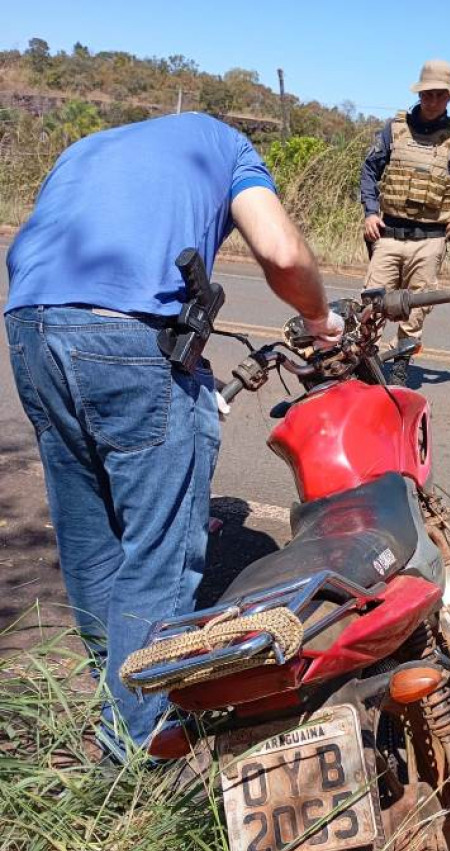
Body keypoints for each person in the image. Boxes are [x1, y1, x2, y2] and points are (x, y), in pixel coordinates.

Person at [4, 112, 343, 763]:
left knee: (91, 536)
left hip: (31, 328)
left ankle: (117, 696)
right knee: (157, 557)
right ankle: (133, 763)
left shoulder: (88, 145)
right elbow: (280, 251)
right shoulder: (228, 145)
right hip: (128, 339)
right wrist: (317, 316)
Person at [360, 59, 450, 386]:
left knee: (415, 309)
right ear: (419, 94)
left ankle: (398, 368)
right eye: (427, 94)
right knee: (371, 303)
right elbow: (369, 170)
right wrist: (369, 211)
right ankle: (364, 365)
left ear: (449, 98)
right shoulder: (394, 129)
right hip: (390, 234)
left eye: (439, 95)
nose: (432, 101)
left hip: (430, 239)